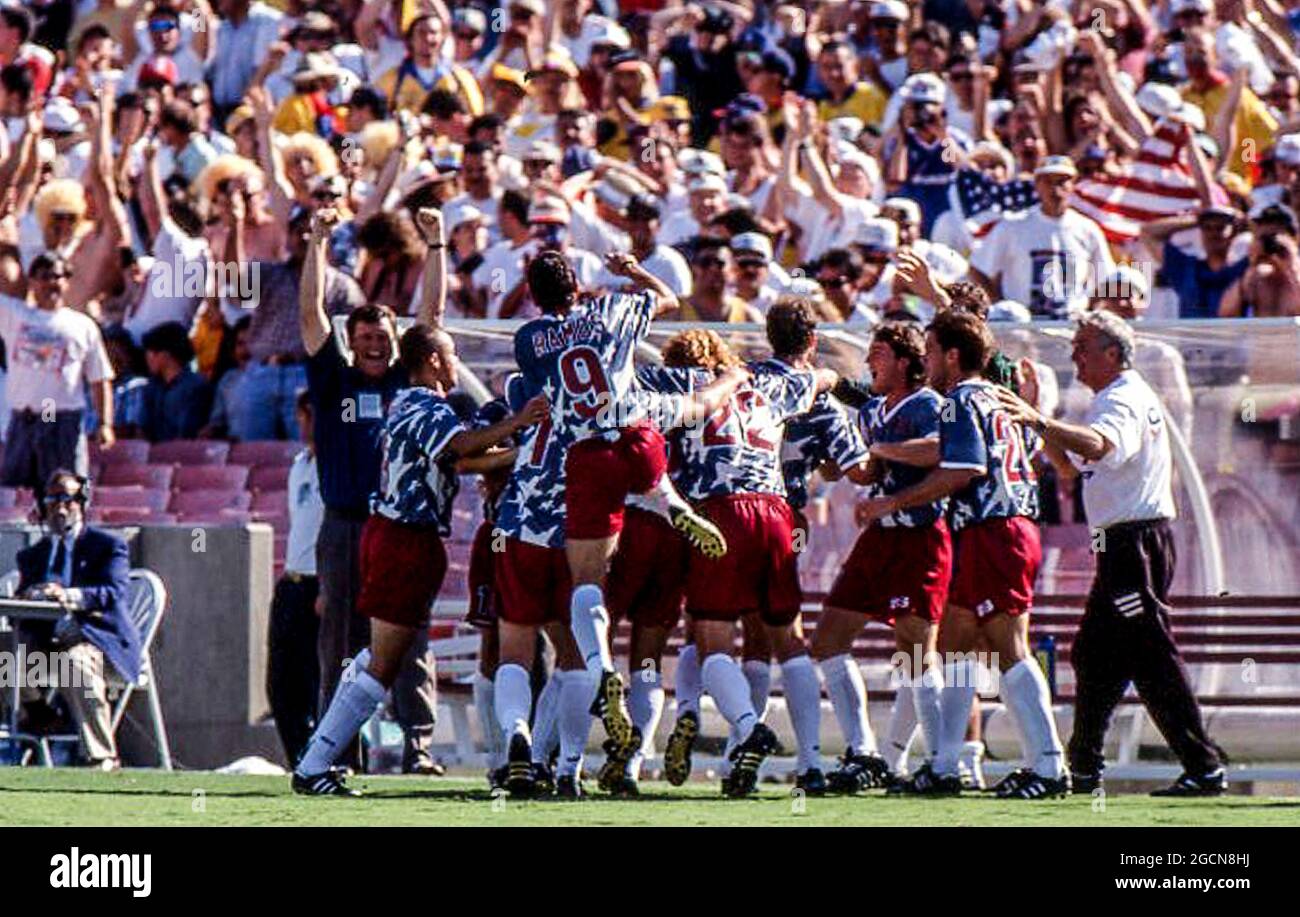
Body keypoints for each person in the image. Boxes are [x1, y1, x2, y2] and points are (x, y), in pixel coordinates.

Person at [493, 250, 744, 797]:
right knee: (653, 647)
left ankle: (592, 693)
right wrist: (633, 272)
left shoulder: (529, 342)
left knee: (586, 596)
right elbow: (672, 306)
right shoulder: (613, 311)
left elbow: (541, 385)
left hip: (576, 471)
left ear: (534, 296)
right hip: (640, 441)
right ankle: (671, 502)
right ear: (579, 285)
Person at [292, 325, 547, 795]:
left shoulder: (419, 407)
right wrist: (519, 423)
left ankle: (316, 758)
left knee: (375, 658)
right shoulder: (422, 403)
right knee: (382, 665)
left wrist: (522, 451)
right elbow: (459, 449)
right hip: (403, 539)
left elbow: (463, 463)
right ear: (432, 360)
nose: (455, 365)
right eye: (450, 355)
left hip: (407, 538)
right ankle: (314, 765)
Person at [993, 312, 1228, 798]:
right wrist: (1035, 418)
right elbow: (1071, 471)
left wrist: (1038, 418)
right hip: (1122, 542)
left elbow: (1100, 446)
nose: (1075, 355)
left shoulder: (1121, 398)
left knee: (1151, 653)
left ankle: (1203, 766)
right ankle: (1084, 768)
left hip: (1133, 542)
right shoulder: (1114, 398)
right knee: (1094, 655)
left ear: (1113, 354)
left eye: (1083, 346)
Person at [858, 310, 1067, 799]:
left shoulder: (957, 401)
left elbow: (964, 470)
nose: (926, 361)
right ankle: (946, 763)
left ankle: (1050, 768)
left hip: (994, 528)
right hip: (995, 528)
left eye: (930, 351)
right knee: (953, 644)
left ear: (952, 355)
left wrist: (892, 500)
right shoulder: (994, 394)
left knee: (1008, 647)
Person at [656, 313, 838, 797]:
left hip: (720, 513)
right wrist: (838, 378)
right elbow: (819, 377)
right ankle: (812, 763)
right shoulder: (767, 387)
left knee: (713, 636)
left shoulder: (685, 388)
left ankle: (745, 728)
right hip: (777, 511)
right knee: (788, 639)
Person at [299, 207, 443, 775]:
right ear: (351, 342)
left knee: (411, 637)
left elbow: (431, 314)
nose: (376, 347)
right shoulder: (335, 377)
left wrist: (435, 248)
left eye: (383, 337)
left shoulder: (410, 375)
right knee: (336, 635)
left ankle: (420, 748)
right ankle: (334, 751)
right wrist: (317, 241)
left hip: (400, 525)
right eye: (365, 338)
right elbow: (311, 312)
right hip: (343, 524)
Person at [811, 321, 951, 793]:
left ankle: (941, 765)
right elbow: (866, 473)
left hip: (921, 535)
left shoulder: (929, 403)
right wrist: (829, 447)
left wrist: (878, 448)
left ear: (906, 362)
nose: (870, 362)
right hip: (880, 537)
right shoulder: (871, 409)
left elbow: (939, 450)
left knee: (915, 653)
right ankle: (865, 751)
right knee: (829, 637)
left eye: (879, 354)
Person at [16, 470, 140, 771]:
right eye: (52, 500)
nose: (59, 508)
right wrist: (31, 594)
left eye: (66, 499)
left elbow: (113, 592)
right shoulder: (34, 556)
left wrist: (68, 595)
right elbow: (20, 601)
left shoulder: (107, 546)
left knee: (74, 663)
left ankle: (101, 757)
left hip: (98, 641)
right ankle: (35, 711)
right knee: (8, 659)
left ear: (81, 503)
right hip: (47, 646)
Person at [0, 253, 114, 486]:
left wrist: (105, 423)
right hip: (24, 418)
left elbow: (99, 378)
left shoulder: (81, 326)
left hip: (59, 417)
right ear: (31, 281)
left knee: (65, 491)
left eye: (57, 277)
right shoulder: (15, 315)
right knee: (16, 494)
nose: (51, 283)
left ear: (67, 281)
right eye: (44, 277)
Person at [969, 156, 1114, 319]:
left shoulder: (1088, 230)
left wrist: (1088, 311)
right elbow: (977, 270)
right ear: (1037, 184)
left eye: (1062, 181)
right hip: (1024, 328)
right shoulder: (1012, 225)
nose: (1055, 189)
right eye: (1048, 181)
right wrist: (1002, 307)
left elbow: (1107, 281)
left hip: (1070, 327)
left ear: (1073, 184)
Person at [267, 391, 324, 766]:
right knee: (281, 685)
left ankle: (334, 760)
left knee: (320, 681)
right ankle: (299, 763)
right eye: (304, 415)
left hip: (322, 585)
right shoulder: (300, 464)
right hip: (292, 582)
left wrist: (333, 585)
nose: (305, 423)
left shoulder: (340, 467)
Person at [139, 321, 212, 442]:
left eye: (152, 352)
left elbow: (188, 430)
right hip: (155, 456)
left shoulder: (196, 387)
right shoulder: (152, 387)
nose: (148, 357)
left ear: (166, 354)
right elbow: (143, 429)